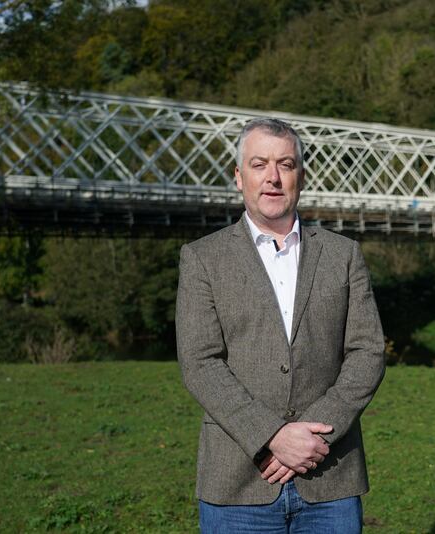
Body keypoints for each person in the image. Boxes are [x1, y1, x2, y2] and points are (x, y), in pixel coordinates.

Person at [175, 117, 385, 533]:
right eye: (259, 164)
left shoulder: (343, 255)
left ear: (300, 177)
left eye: (285, 165)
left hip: (330, 478)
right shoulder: (202, 258)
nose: (272, 177)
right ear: (239, 177)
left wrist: (314, 437)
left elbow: (368, 352)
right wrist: (272, 435)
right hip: (237, 485)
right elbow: (200, 363)